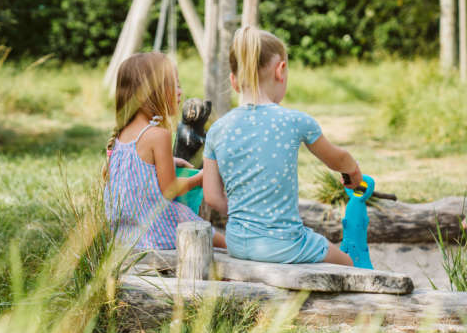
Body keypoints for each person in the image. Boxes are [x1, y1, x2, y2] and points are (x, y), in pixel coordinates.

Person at [203, 27, 361, 266]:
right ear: (281, 71)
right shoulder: (296, 121)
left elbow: (212, 197)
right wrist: (353, 172)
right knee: (348, 265)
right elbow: (337, 159)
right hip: (285, 244)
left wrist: (247, 214)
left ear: (233, 80)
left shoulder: (217, 129)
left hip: (237, 243)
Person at [104, 52, 226, 250]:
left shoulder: (123, 133)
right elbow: (170, 190)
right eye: (175, 85)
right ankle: (241, 254)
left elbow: (138, 170)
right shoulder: (158, 135)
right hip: (154, 232)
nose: (180, 92)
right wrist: (203, 177)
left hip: (125, 235)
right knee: (208, 232)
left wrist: (170, 160)